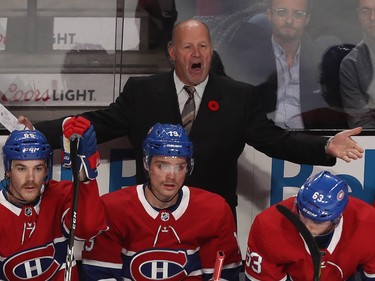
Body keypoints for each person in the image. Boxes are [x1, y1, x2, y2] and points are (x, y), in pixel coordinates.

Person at [20, 19, 364, 219]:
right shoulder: (142, 92)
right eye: (187, 47)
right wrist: (38, 131)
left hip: (212, 216)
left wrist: (326, 146)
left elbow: (275, 139)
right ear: (172, 53)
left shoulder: (239, 95)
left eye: (203, 46)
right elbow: (98, 122)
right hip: (155, 215)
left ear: (211, 52)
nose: (196, 54)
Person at [80, 123, 243, 280]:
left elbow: (224, 276)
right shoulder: (113, 208)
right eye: (162, 166)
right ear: (147, 163)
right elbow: (100, 275)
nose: (171, 176)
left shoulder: (214, 210)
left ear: (189, 167)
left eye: (180, 167)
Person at [0, 117, 107, 280]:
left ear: (46, 170)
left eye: (38, 168)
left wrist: (85, 178)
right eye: (21, 168)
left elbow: (88, 228)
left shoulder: (60, 194)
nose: (30, 178)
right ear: (8, 170)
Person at [227, 0, 345, 129]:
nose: (289, 20)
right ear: (269, 15)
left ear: (307, 19)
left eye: (298, 14)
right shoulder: (246, 62)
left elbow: (335, 113)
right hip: (263, 144)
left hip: (313, 141)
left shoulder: (323, 62)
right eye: (282, 12)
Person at [244, 171, 375, 280]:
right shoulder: (268, 225)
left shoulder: (369, 224)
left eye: (317, 221)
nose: (306, 226)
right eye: (304, 215)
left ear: (337, 218)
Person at [340, 0, 375, 128]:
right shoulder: (351, 64)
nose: (372, 17)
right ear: (358, 14)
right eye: (366, 11)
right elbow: (362, 123)